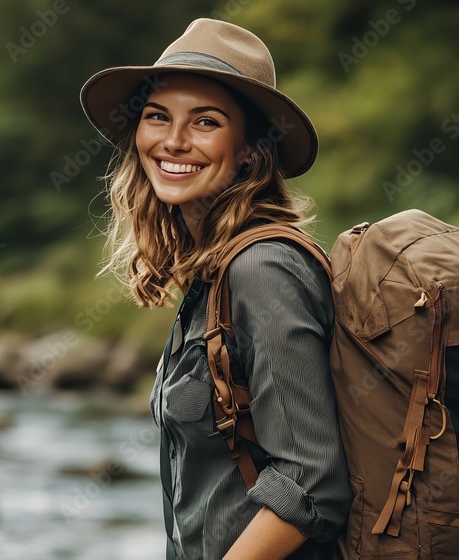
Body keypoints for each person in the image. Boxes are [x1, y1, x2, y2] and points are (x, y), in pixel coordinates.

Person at [80, 18, 351, 559]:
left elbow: (311, 483)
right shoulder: (214, 273)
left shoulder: (263, 270)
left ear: (251, 148)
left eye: (205, 122)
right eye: (158, 116)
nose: (174, 141)